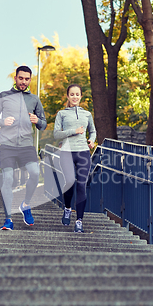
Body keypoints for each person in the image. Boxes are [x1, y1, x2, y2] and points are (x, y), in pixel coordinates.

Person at [0, 66, 47, 230]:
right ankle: (8, 219)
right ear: (15, 78)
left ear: (30, 80)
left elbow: (44, 124)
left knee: (35, 173)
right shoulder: (4, 96)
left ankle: (25, 204)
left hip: (26, 145)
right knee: (8, 179)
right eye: (21, 78)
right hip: (7, 145)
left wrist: (37, 121)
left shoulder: (34, 99)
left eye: (27, 79)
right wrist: (2, 122)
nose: (24, 82)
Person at [53, 84, 96, 233]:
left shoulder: (87, 114)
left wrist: (91, 140)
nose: (75, 97)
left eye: (77, 94)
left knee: (82, 185)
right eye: (72, 94)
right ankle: (67, 208)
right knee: (70, 181)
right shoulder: (61, 114)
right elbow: (56, 134)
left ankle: (79, 221)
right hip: (66, 152)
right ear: (67, 96)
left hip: (83, 152)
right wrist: (73, 131)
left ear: (81, 96)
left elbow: (93, 130)